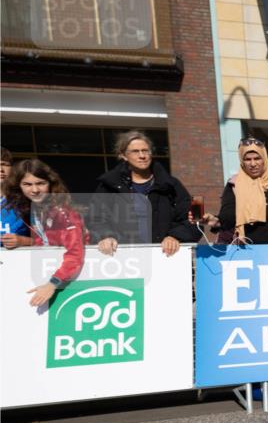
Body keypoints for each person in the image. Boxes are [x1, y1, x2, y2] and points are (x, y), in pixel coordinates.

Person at [91, 130, 199, 257]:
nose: (142, 156)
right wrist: (106, 236)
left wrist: (175, 236)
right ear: (124, 156)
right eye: (135, 151)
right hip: (123, 258)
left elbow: (193, 219)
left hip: (165, 257)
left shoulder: (170, 184)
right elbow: (96, 218)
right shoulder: (109, 185)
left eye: (145, 150)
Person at [3, 160, 88, 307]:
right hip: (53, 273)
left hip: (74, 277)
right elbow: (47, 242)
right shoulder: (33, 208)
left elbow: (75, 254)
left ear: (51, 183)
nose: (35, 190)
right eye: (27, 184)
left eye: (41, 183)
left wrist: (52, 284)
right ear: (18, 186)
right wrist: (24, 241)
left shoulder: (64, 213)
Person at [1, 147, 32, 248]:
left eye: (4, 164)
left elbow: (50, 239)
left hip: (19, 260)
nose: (0, 169)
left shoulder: (25, 200)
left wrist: (23, 241)